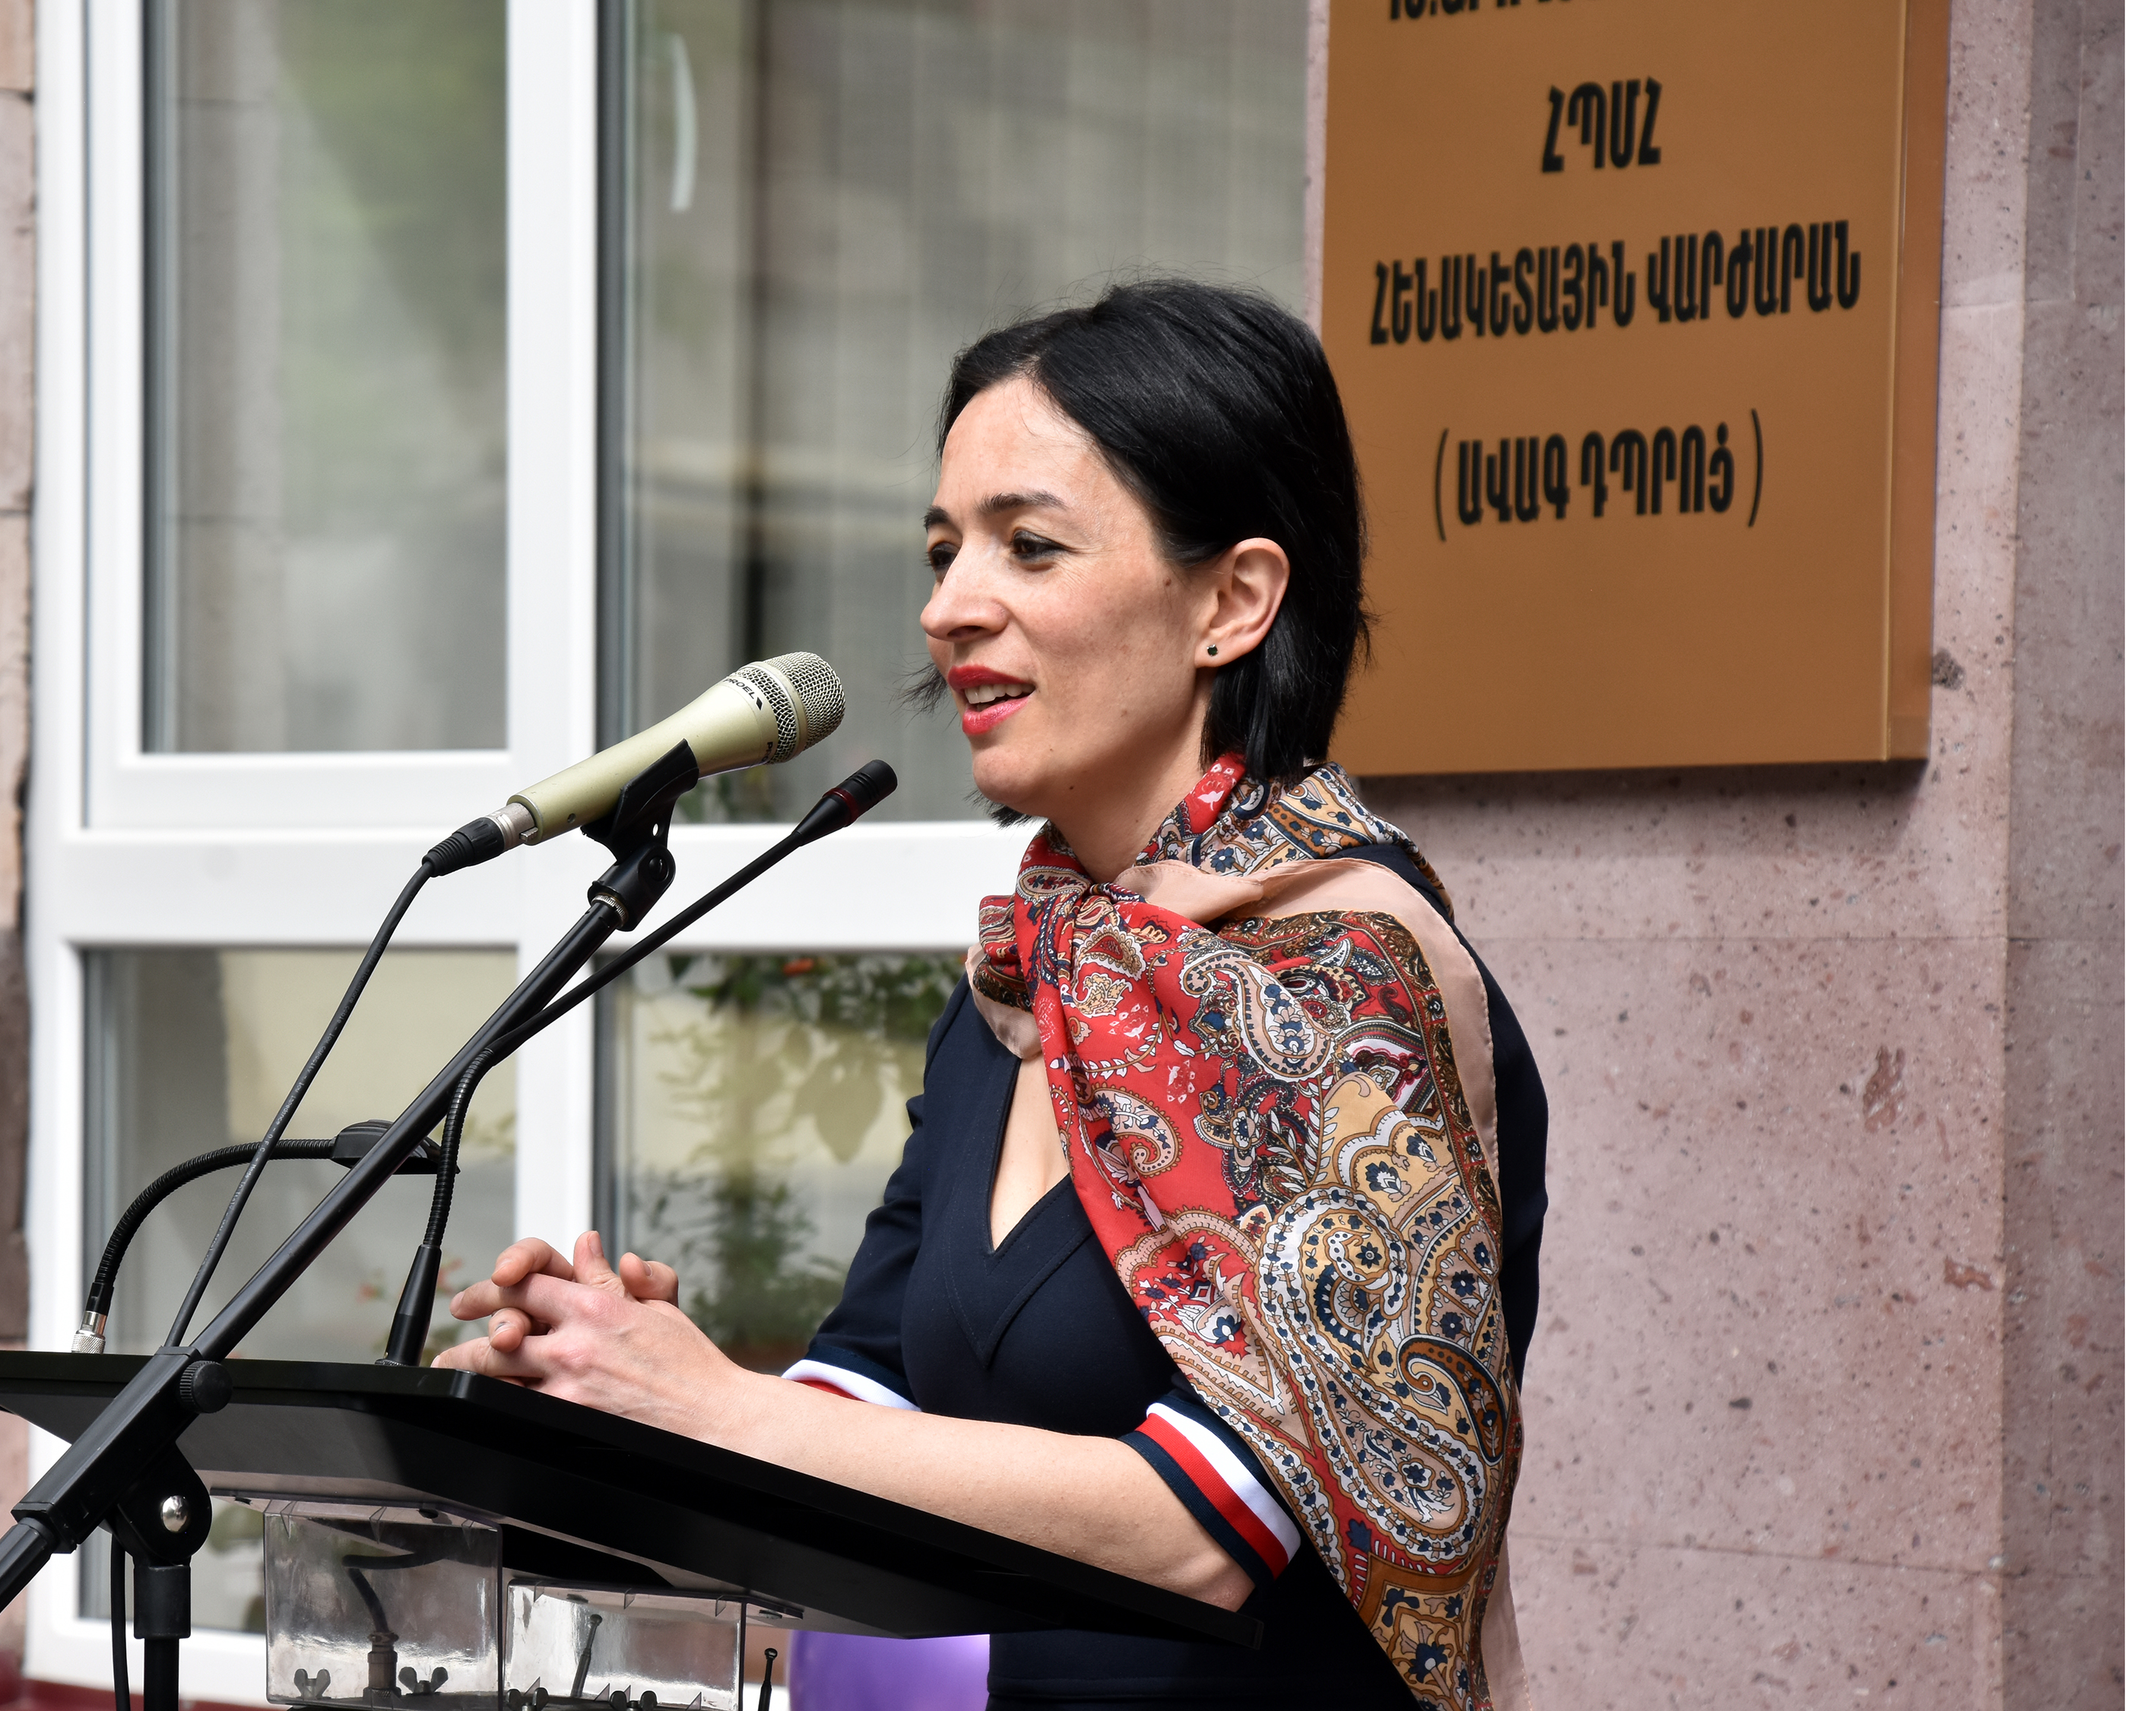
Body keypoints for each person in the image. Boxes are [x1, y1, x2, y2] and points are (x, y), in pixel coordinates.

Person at [434, 281, 1549, 1711]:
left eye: (1029, 545)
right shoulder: (1032, 984)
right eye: (944, 548)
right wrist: (622, 1384)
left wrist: (716, 1408)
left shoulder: (1340, 981)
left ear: (1233, 601)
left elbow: (1210, 1523)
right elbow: (867, 1386)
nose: (948, 606)